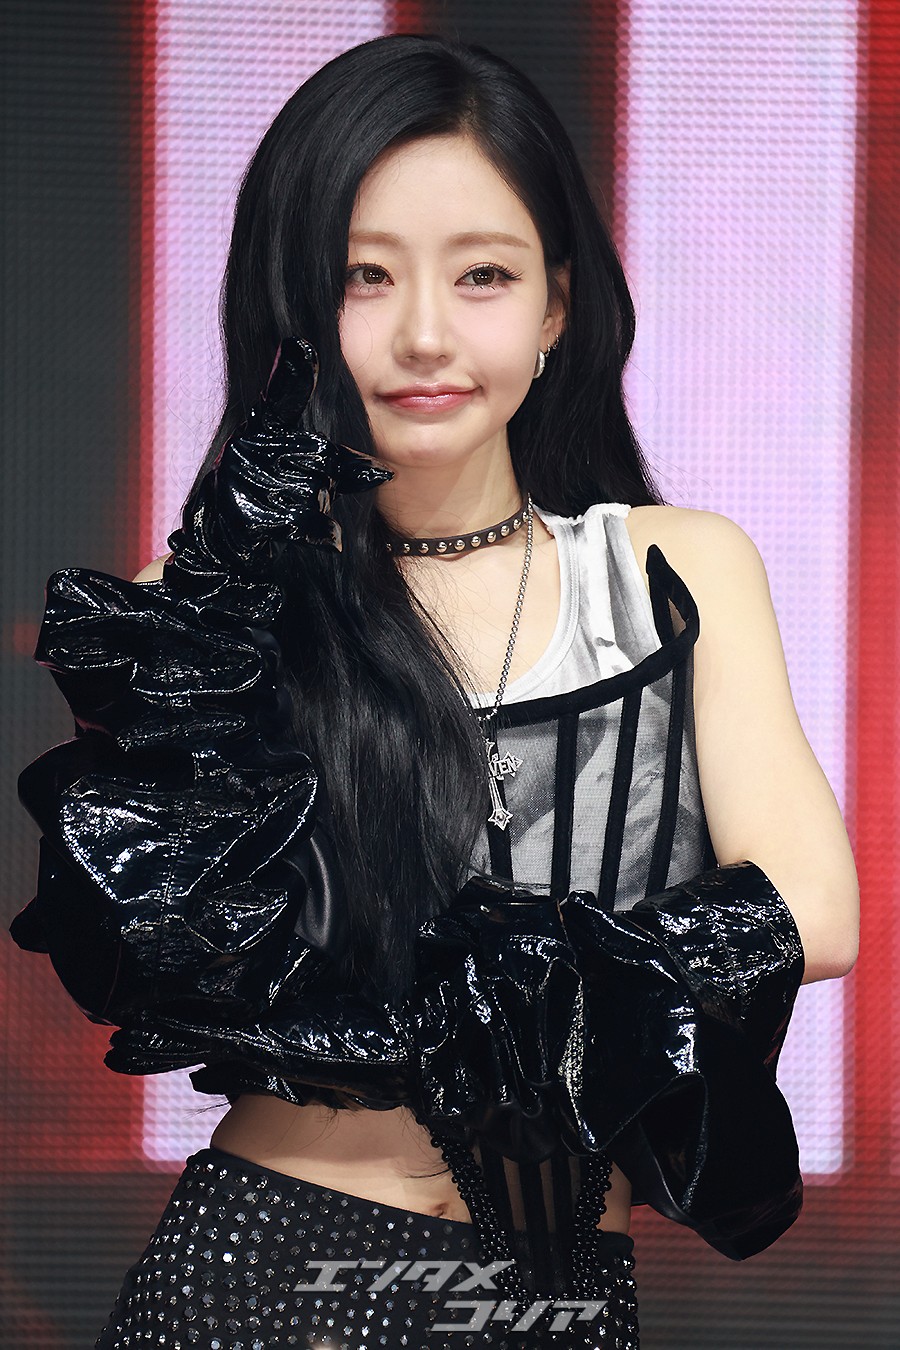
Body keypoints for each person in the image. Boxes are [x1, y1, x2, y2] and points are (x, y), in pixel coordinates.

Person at [10, 32, 858, 1350]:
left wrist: (514, 968)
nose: (423, 334)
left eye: (483, 275)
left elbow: (817, 904)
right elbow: (169, 952)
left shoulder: (672, 570)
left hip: (560, 1294)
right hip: (266, 1271)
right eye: (364, 275)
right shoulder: (210, 615)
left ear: (556, 307)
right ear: (294, 305)